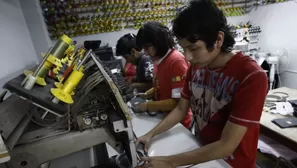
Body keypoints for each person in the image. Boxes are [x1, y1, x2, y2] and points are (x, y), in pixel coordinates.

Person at [136, 1, 268, 168]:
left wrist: (169, 162)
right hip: (201, 152)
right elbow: (180, 109)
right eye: (184, 49)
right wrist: (151, 134)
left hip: (230, 163)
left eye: (193, 48)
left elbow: (226, 146)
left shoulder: (251, 76)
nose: (187, 57)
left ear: (218, 39)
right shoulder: (196, 67)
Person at [135, 21, 193, 129]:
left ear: (158, 42)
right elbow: (162, 85)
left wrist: (148, 106)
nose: (146, 53)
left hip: (179, 125)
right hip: (164, 118)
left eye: (147, 48)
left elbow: (178, 103)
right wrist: (148, 94)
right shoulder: (158, 60)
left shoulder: (176, 61)